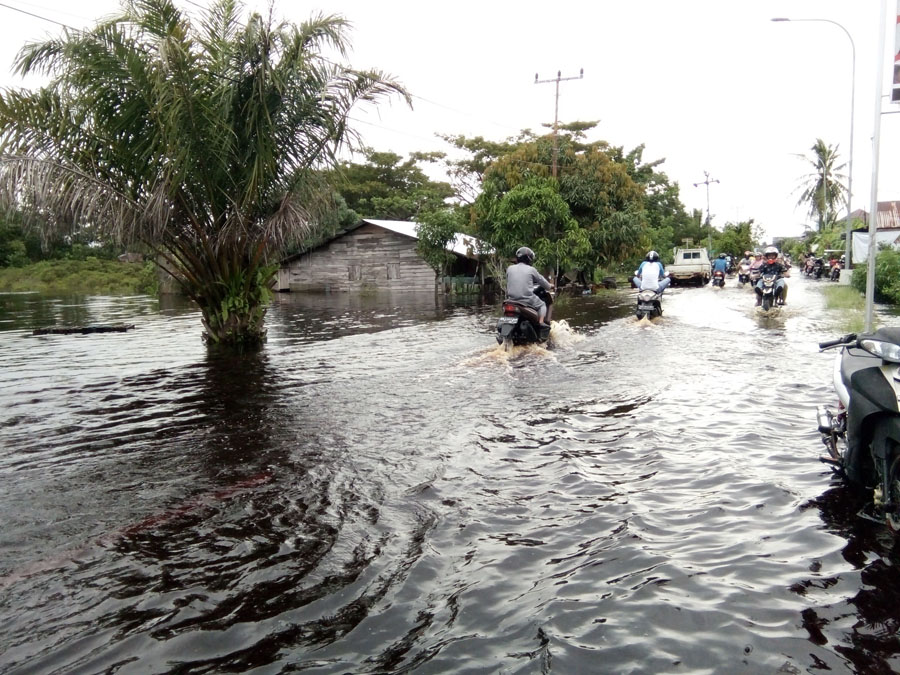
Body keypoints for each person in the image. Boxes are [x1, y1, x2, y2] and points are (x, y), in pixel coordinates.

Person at [506, 246, 553, 325]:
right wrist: (550, 286)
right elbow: (542, 281)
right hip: (526, 300)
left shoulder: (509, 268)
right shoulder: (531, 269)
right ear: (528, 258)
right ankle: (541, 324)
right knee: (542, 305)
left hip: (511, 300)